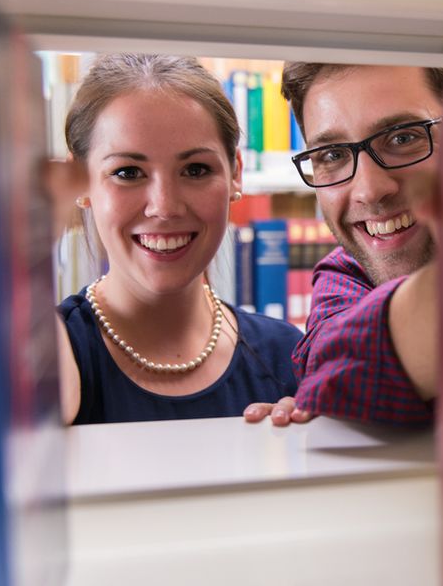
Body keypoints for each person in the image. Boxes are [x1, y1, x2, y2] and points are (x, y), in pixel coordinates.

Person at [57, 53, 302, 425]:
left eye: (195, 169)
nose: (165, 207)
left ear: (236, 174)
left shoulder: (287, 355)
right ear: (80, 180)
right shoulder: (56, 357)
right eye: (127, 172)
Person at [244, 63, 443, 427]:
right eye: (332, 155)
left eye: (402, 138)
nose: (369, 190)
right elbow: (331, 365)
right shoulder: (345, 274)